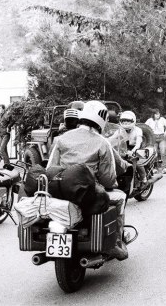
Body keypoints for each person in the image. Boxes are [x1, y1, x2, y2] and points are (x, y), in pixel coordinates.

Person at [47, 100, 131, 260]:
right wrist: (113, 184)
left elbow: (50, 169)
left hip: (61, 192)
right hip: (88, 195)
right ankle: (116, 243)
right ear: (102, 120)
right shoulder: (102, 142)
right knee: (120, 197)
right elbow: (107, 179)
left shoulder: (61, 139)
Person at [145, 108, 166, 174]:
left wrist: (165, 133)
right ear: (153, 115)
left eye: (158, 114)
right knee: (154, 153)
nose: (157, 116)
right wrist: (150, 133)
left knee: (163, 152)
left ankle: (164, 167)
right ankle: (154, 168)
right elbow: (145, 127)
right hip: (153, 137)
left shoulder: (162, 119)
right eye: (156, 114)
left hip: (161, 137)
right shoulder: (150, 120)